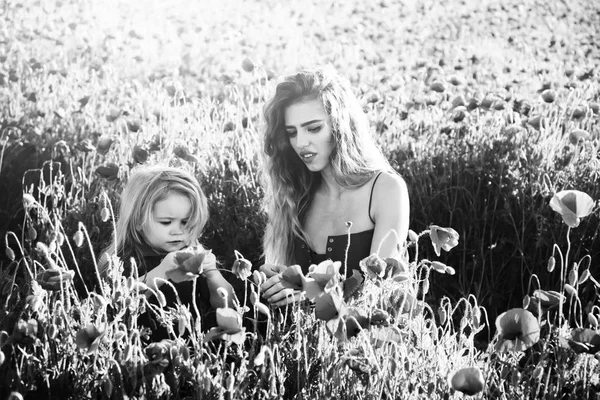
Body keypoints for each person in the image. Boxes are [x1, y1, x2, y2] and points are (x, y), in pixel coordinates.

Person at [259, 65, 410, 307]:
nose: (301, 143)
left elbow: (383, 290)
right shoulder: (294, 192)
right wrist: (278, 279)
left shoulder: (385, 189)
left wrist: (310, 293)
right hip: (302, 341)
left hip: (369, 339)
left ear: (341, 125)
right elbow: (295, 291)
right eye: (291, 132)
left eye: (314, 128)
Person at [100, 165, 237, 342]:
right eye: (166, 222)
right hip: (137, 350)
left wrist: (212, 274)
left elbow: (229, 306)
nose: (177, 231)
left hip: (187, 350)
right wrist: (163, 270)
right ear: (138, 220)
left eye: (186, 222)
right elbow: (118, 305)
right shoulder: (124, 260)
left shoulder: (190, 257)